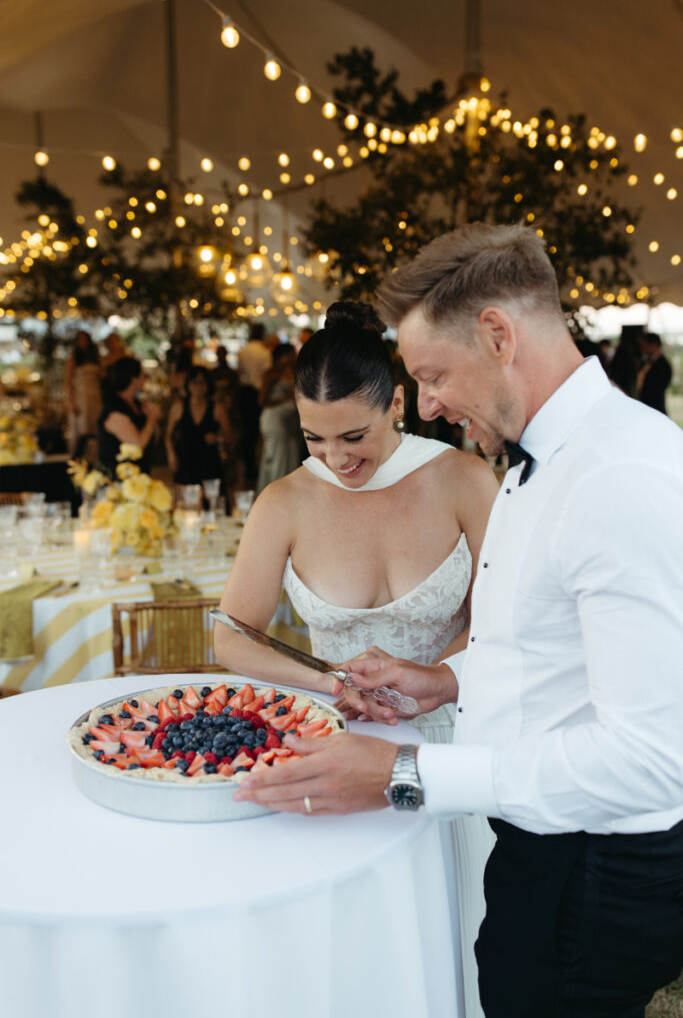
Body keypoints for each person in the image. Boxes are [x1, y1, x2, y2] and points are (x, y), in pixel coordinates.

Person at [232, 225, 683, 1018]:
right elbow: (540, 649)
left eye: (432, 375)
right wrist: (442, 680)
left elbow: (651, 762)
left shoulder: (618, 476)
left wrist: (405, 776)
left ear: (498, 336)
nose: (429, 405)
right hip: (538, 851)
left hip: (592, 869)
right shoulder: (535, 464)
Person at [215, 301, 499, 1016]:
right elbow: (231, 635)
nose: (336, 458)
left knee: (463, 941)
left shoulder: (465, 479)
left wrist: (436, 680)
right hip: (337, 743)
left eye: (354, 435)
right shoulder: (282, 502)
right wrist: (322, 678)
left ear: (397, 402)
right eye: (314, 438)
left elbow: (509, 618)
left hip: (460, 739)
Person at [165, 365, 231, 488]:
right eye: (194, 382)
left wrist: (217, 438)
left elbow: (229, 438)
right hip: (185, 462)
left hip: (209, 464)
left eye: (202, 382)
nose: (198, 386)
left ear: (208, 385)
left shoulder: (217, 409)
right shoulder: (178, 407)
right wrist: (171, 455)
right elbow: (168, 436)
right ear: (188, 384)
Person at [97, 356, 160, 476]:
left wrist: (151, 418)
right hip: (119, 481)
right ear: (133, 379)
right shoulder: (114, 410)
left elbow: (152, 439)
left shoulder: (136, 405)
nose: (144, 380)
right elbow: (137, 445)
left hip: (140, 476)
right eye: (142, 376)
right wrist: (151, 420)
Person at [255, 342, 300, 493]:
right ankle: (274, 493)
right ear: (282, 357)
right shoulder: (271, 374)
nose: (293, 357)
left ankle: (288, 494)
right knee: (277, 457)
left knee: (290, 455)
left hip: (290, 420)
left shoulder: (293, 371)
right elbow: (262, 401)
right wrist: (285, 398)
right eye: (290, 354)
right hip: (274, 418)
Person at [237, 324, 272, 484]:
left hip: (245, 393)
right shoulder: (264, 352)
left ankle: (249, 467)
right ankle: (256, 468)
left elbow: (241, 374)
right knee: (258, 432)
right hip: (258, 393)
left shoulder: (243, 352)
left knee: (247, 432)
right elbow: (267, 377)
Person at [65, 329, 102, 454]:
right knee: (83, 430)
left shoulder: (96, 358)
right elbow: (68, 381)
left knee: (95, 428)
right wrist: (71, 402)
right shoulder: (73, 359)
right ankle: (78, 458)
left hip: (95, 397)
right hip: (81, 398)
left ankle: (94, 457)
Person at [636, 332, 673, 414]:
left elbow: (659, 388)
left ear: (653, 344)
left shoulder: (663, 365)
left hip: (655, 407)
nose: (642, 348)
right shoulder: (645, 361)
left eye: (644, 345)